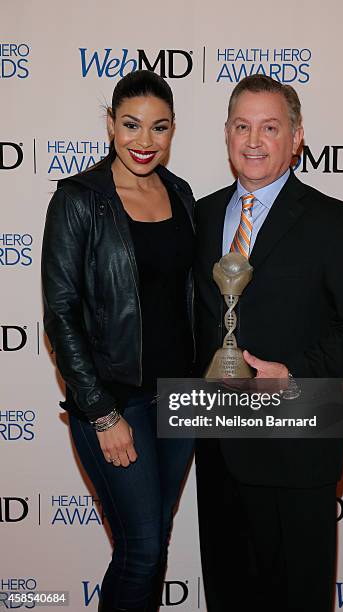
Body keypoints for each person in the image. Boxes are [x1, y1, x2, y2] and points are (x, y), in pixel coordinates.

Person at [194, 75, 343, 612]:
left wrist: (295, 373)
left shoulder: (333, 221)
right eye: (242, 125)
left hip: (299, 447)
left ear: (297, 138)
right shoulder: (202, 215)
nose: (253, 140)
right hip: (218, 448)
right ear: (227, 133)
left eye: (270, 127)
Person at [41, 70, 195, 612]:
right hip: (115, 402)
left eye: (159, 128)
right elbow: (60, 315)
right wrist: (103, 413)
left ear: (173, 131)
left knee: (154, 544)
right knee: (142, 549)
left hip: (180, 399)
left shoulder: (181, 194)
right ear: (110, 125)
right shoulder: (78, 200)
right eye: (131, 125)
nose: (144, 141)